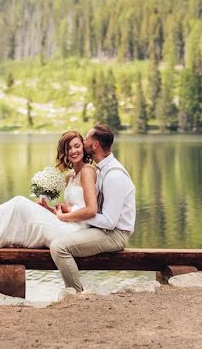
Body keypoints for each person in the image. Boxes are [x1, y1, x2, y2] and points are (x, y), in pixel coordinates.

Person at [50, 122, 136, 292]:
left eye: (87, 138)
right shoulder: (102, 169)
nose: (84, 140)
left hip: (115, 235)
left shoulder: (114, 175)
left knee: (59, 247)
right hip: (102, 229)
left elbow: (110, 222)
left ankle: (75, 294)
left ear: (95, 145)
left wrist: (72, 213)